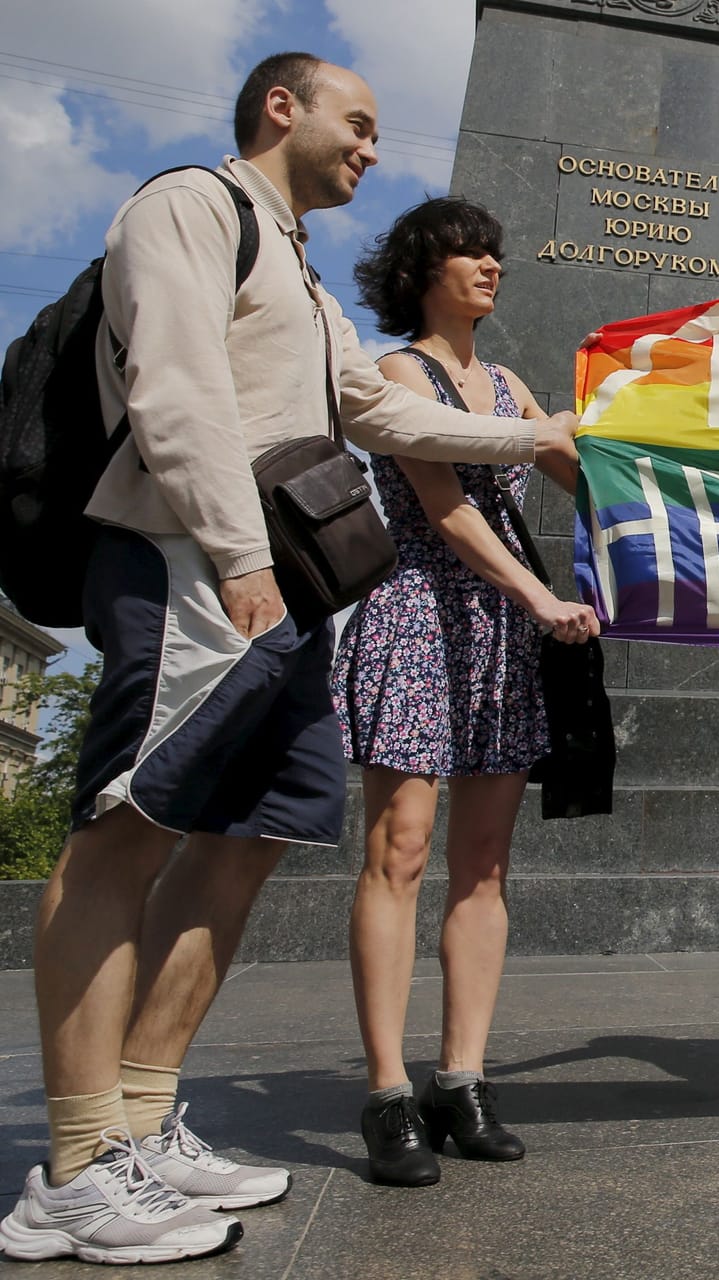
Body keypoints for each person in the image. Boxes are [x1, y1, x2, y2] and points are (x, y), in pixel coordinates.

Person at [0, 54, 580, 1266]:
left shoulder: (305, 281)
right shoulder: (188, 207)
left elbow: (389, 416)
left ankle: (147, 1119)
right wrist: (234, 553)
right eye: (357, 124)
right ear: (284, 107)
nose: (371, 147)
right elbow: (176, 387)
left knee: (249, 840)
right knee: (127, 830)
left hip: (287, 597)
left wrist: (536, 432)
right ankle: (75, 1161)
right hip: (194, 567)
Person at [332, 197, 599, 1187]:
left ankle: (464, 1077)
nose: (490, 263)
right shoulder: (400, 369)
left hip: (500, 637)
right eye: (467, 250)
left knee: (484, 865)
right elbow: (443, 507)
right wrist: (538, 593)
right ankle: (388, 1089)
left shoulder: (508, 381)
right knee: (399, 851)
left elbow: (584, 475)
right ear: (423, 268)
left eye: (495, 248)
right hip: (420, 615)